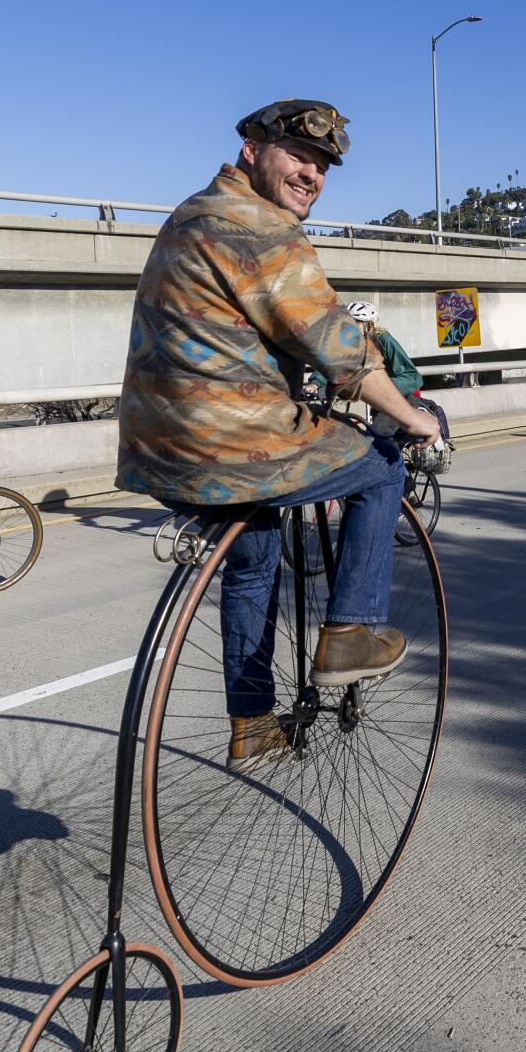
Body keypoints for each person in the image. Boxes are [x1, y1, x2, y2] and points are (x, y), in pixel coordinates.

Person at [116, 97, 441, 770]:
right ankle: (350, 631)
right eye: (300, 156)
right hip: (240, 440)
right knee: (380, 463)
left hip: (162, 449)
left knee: (256, 551)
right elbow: (339, 350)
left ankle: (252, 723)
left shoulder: (189, 214)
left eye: (323, 165)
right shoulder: (262, 228)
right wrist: (412, 418)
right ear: (251, 149)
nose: (313, 174)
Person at [341, 301, 453, 466]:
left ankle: (401, 479)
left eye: (356, 322)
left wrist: (384, 387)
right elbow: (334, 365)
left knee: (379, 435)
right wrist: (316, 384)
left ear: (368, 325)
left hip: (404, 396)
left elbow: (411, 375)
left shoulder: (383, 339)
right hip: (379, 400)